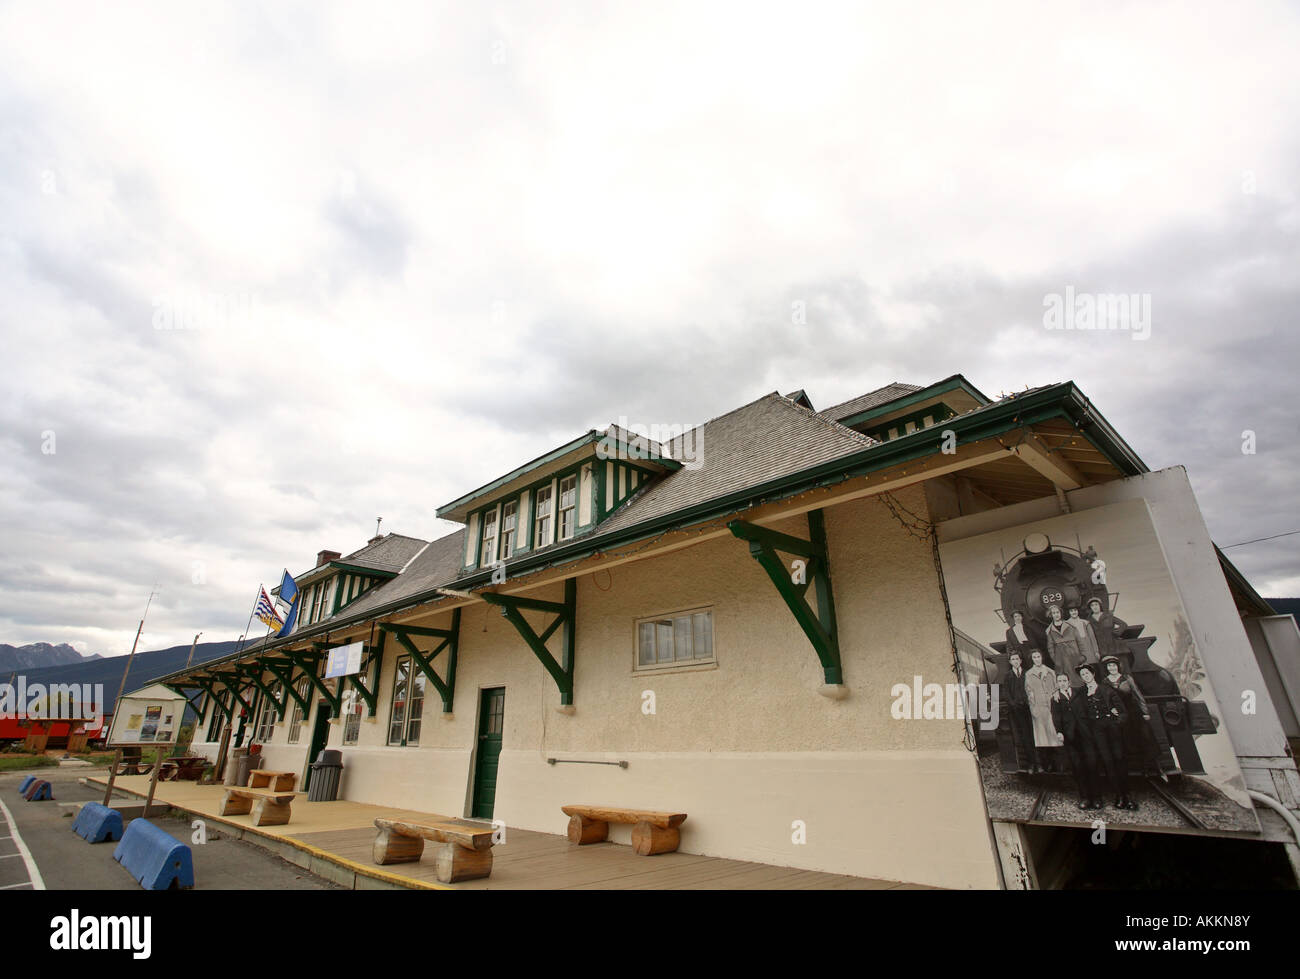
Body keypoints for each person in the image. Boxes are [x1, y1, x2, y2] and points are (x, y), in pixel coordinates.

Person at [1073, 663, 1137, 811]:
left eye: (1087, 673)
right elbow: (1073, 706)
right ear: (1081, 678)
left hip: (1111, 729)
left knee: (1119, 759)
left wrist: (1116, 722)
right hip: (1097, 732)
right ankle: (1119, 796)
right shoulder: (1081, 693)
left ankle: (1128, 796)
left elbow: (1123, 712)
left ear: (1093, 674)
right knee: (1108, 762)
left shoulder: (1106, 689)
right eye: (1082, 675)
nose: (1085, 676)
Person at [1101, 654, 1165, 780]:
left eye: (1113, 665)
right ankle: (1141, 769)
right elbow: (1106, 700)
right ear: (1106, 668)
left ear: (1118, 666)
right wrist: (1112, 709)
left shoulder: (1127, 678)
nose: (1112, 668)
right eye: (1109, 666)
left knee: (1145, 737)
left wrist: (1145, 712)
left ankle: (1157, 768)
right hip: (1121, 715)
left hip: (1134, 713)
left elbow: (1138, 695)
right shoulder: (1105, 682)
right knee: (1129, 741)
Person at [1050, 672, 1098, 808]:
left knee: (1092, 764)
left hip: (1085, 734)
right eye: (1059, 681)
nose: (1062, 683)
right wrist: (1059, 731)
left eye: (1064, 680)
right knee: (1078, 767)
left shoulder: (1080, 692)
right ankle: (1085, 798)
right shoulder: (1055, 698)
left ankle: (1096, 798)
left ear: (1069, 681)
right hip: (1070, 737)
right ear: (1057, 684)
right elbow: (1056, 717)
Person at [1002, 651, 1039, 774]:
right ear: (1010, 662)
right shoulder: (1008, 676)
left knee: (1036, 734)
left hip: (1030, 708)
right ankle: (1031, 764)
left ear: (1021, 660)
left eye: (1017, 658)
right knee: (1025, 737)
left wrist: (1031, 702)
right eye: (1013, 659)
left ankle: (1040, 763)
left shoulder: (1028, 673)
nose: (1015, 661)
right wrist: (1013, 704)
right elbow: (1006, 693)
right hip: (1018, 711)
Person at [1024, 649, 1060, 772]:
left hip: (1050, 708)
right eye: (1034, 657)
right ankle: (1047, 764)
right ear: (1032, 659)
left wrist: (1055, 703)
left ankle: (1058, 764)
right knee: (1042, 738)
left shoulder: (1050, 672)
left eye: (1038, 656)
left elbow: (1056, 688)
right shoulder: (1029, 674)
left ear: (1042, 658)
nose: (1037, 659)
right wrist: (1033, 708)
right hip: (1038, 709)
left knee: (1054, 735)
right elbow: (1029, 692)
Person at [1045, 604, 1084, 687]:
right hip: (1061, 658)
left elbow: (1079, 641)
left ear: (1061, 613)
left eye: (1057, 612)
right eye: (1054, 613)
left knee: (1079, 677)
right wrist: (1055, 659)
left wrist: (1082, 655)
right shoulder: (1049, 630)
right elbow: (1050, 647)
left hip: (1074, 655)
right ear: (1051, 615)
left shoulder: (1070, 626)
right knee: (1066, 679)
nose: (1056, 614)